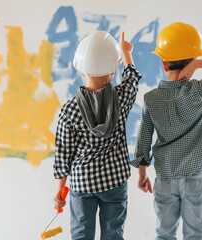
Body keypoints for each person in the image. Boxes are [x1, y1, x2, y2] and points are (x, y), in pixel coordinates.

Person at [131, 22, 202, 240]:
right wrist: (199, 64)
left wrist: (142, 174)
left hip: (165, 177)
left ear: (164, 64)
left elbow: (143, 139)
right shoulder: (198, 91)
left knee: (164, 234)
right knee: (196, 234)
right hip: (195, 175)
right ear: (191, 63)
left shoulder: (150, 99)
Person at [53, 31, 141, 240]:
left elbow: (63, 153)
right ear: (112, 71)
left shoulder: (69, 110)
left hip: (83, 183)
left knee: (81, 235)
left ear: (81, 69)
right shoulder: (121, 98)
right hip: (115, 181)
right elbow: (132, 79)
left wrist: (60, 188)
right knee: (113, 234)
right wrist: (127, 53)